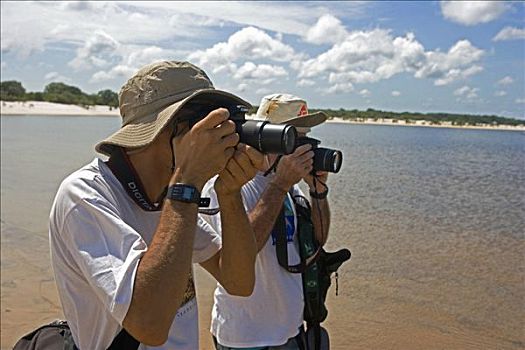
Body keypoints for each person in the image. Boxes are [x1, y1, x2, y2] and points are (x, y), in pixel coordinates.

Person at [48, 61, 265, 349]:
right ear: (166, 128)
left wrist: (229, 192)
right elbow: (149, 326)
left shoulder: (167, 196)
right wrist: (187, 182)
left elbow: (238, 282)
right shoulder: (85, 195)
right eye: (204, 125)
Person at [201, 93, 332, 349]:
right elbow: (239, 256)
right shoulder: (230, 184)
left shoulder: (288, 185)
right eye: (296, 138)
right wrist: (280, 184)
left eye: (306, 138)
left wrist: (319, 190)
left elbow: (318, 240)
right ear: (270, 136)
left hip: (291, 328)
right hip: (246, 336)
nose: (304, 147)